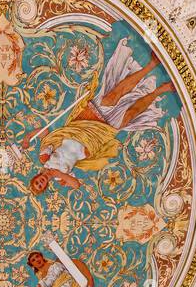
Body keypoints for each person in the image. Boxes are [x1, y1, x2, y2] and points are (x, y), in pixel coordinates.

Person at [24, 38, 172, 194]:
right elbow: (76, 185)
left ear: (36, 177)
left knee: (115, 94)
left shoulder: (45, 160)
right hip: (95, 140)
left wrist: (28, 138)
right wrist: (58, 174)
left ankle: (151, 65)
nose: (41, 182)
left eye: (37, 182)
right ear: (45, 186)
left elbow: (45, 133)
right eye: (41, 186)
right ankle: (161, 90)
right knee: (130, 115)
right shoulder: (60, 180)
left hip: (84, 124)